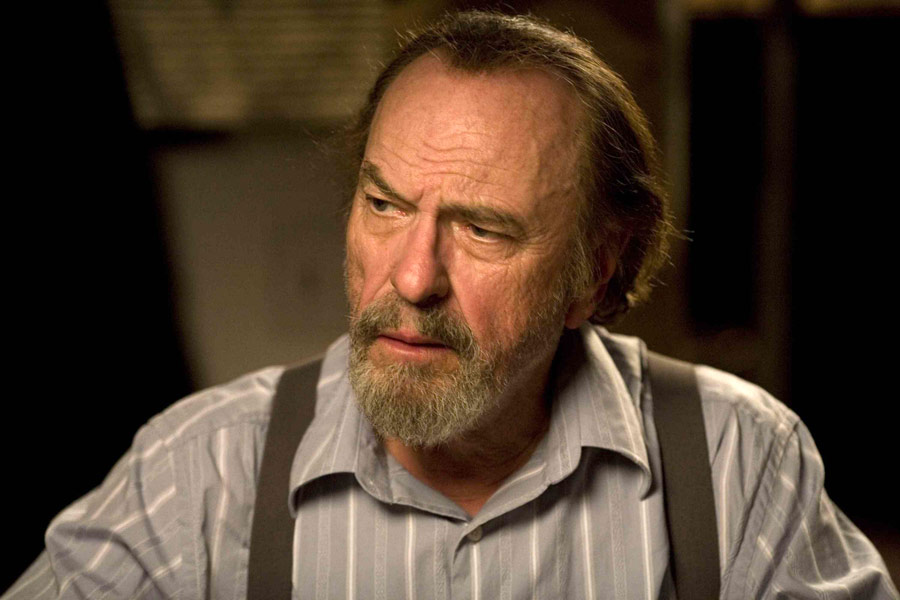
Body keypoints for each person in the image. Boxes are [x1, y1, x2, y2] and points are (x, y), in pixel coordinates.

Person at [4, 10, 897, 600]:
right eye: (384, 204)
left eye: (483, 230)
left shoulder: (738, 464)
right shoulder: (201, 473)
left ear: (596, 271)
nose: (412, 278)